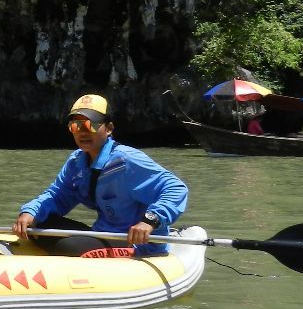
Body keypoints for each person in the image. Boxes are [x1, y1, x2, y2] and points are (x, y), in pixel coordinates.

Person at [13, 94, 187, 258]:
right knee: (38, 223)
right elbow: (57, 196)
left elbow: (175, 188)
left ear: (109, 128)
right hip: (102, 233)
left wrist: (150, 221)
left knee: (68, 247)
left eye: (91, 124)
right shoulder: (76, 161)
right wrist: (30, 212)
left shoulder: (127, 160)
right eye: (76, 125)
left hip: (134, 242)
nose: (82, 132)